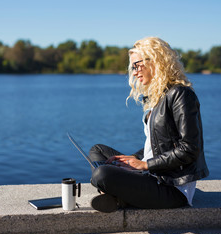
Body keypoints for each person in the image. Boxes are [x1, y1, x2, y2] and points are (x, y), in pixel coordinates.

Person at [89, 37, 209, 213]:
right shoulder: (157, 97)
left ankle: (116, 195)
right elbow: (159, 145)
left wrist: (145, 165)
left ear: (156, 61)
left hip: (171, 187)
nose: (135, 72)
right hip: (151, 173)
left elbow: (190, 149)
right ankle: (117, 194)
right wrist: (133, 159)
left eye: (137, 65)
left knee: (102, 174)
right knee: (98, 150)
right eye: (132, 67)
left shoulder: (181, 95)